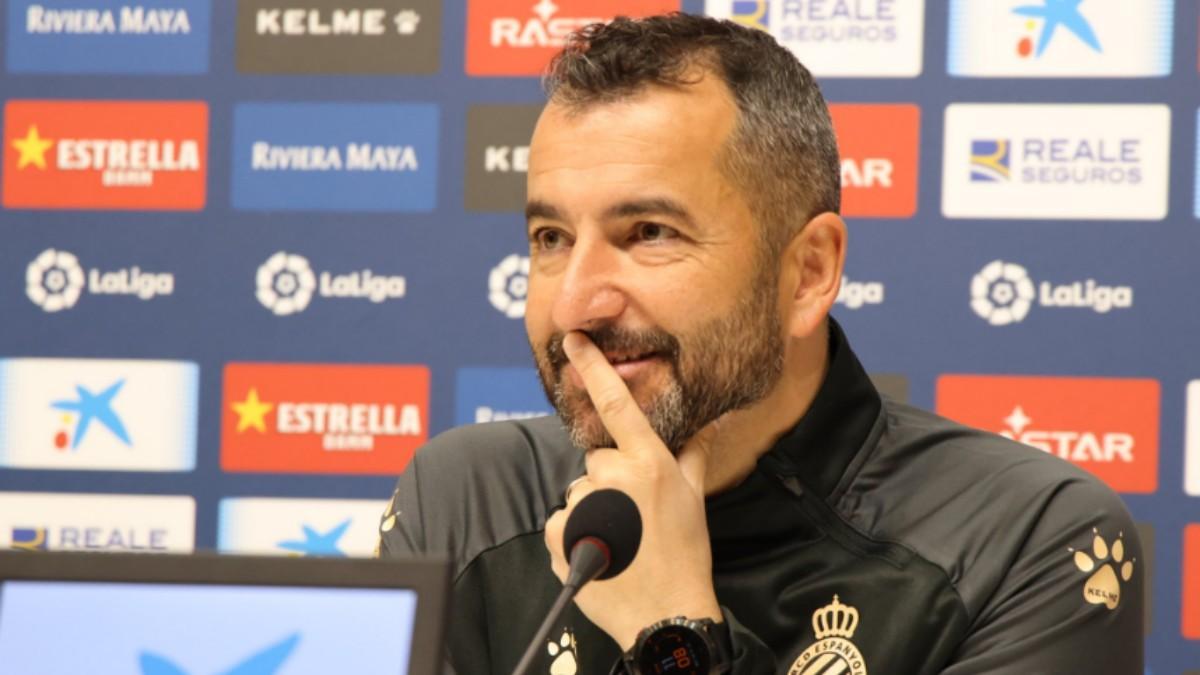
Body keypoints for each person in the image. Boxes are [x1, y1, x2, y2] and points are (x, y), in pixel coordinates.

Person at [378, 13, 1143, 675]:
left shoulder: (1026, 540)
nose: (575, 303)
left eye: (649, 233)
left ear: (808, 273)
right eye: (551, 237)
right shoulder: (470, 498)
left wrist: (673, 633)